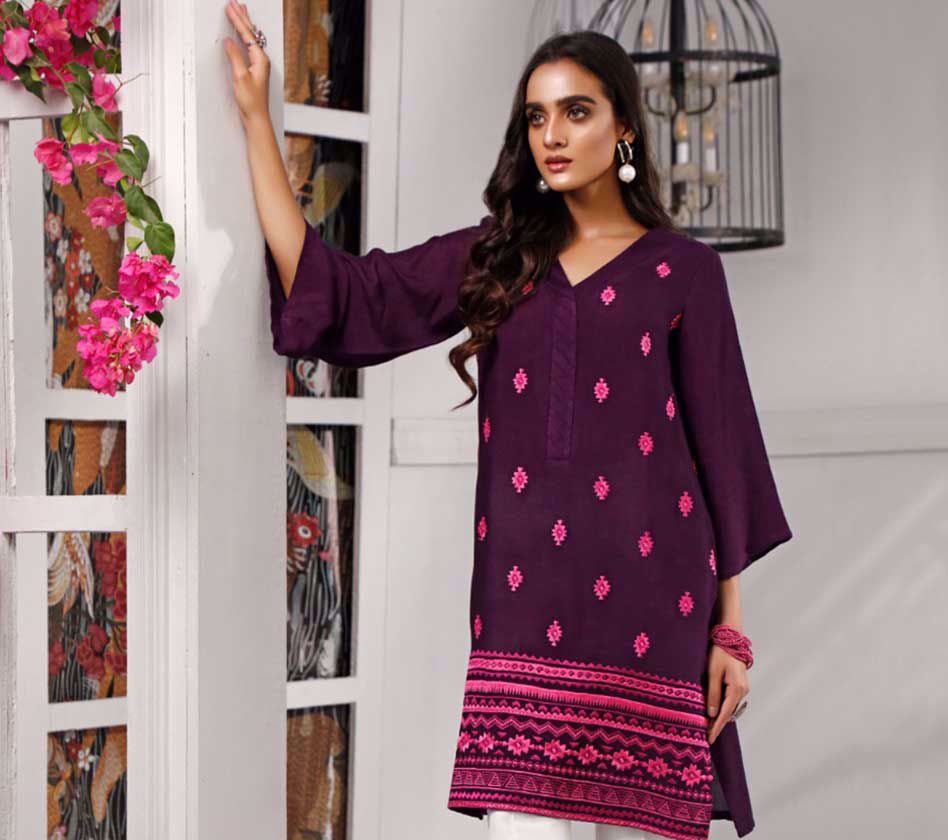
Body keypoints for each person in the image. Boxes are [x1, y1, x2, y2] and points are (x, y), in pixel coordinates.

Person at [224, 4, 793, 839]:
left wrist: (730, 632)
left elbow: (724, 452)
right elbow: (341, 293)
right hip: (521, 609)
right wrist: (254, 122)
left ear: (623, 128)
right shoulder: (498, 256)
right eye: (536, 116)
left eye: (576, 111)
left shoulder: (685, 272)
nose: (551, 135)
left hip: (655, 611)